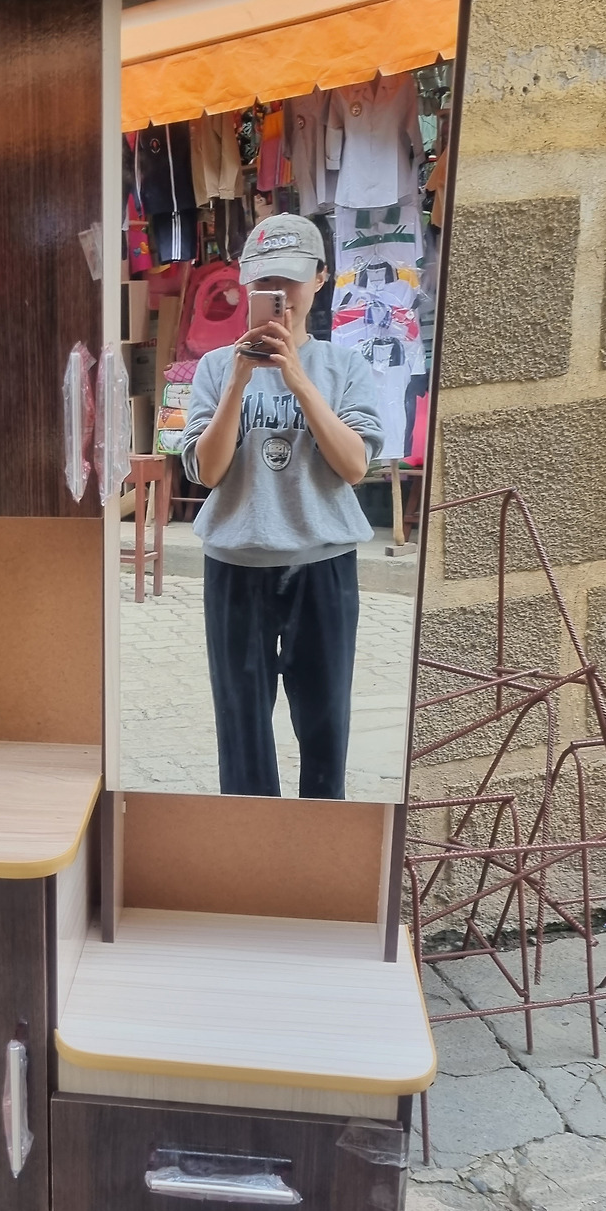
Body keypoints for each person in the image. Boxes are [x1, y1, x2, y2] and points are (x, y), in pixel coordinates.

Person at [181, 213, 383, 799]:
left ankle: (320, 841)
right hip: (235, 566)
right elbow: (207, 471)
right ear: (248, 285)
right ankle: (251, 846)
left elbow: (354, 466)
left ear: (320, 278)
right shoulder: (215, 368)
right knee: (241, 732)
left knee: (325, 728)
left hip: (323, 565)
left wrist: (297, 378)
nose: (279, 295)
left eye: (290, 279)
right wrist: (238, 383)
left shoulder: (345, 367)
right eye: (265, 281)